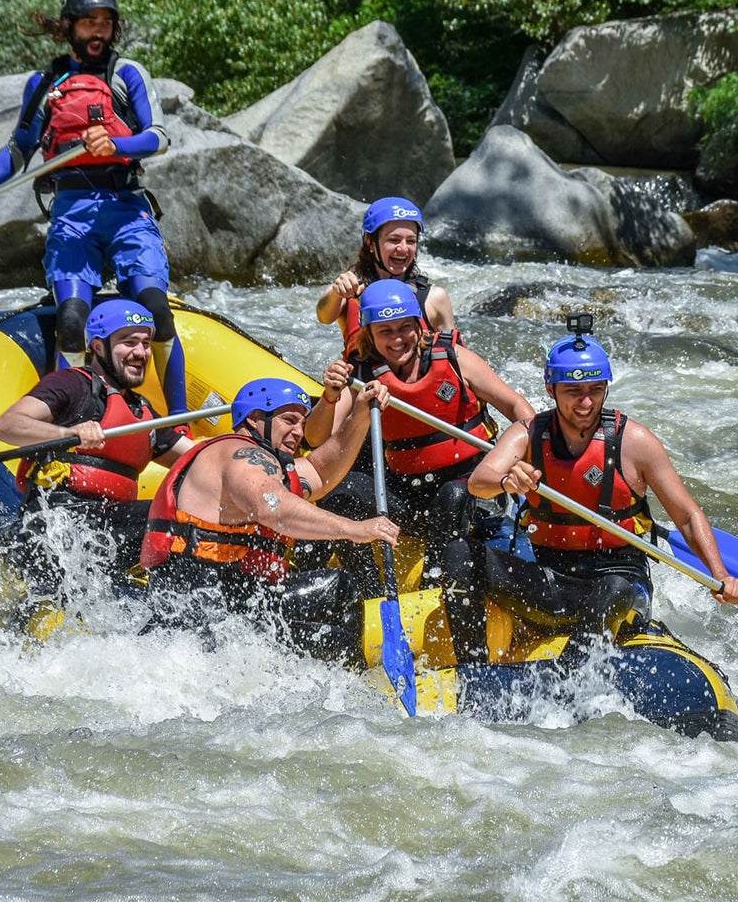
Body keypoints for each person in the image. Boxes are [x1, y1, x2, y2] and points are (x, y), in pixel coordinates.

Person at [448, 316, 738, 664]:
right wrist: (505, 481)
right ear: (552, 390)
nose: (586, 403)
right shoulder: (527, 434)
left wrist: (720, 574)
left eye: (595, 390)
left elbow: (686, 514)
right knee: (460, 552)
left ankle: (570, 681)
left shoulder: (635, 443)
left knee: (614, 589)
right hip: (552, 579)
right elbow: (478, 481)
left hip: (620, 584)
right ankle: (471, 670)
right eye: (573, 391)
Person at [0, 0, 188, 414]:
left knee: (156, 307)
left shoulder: (128, 73)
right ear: (70, 26)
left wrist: (116, 145)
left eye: (105, 23)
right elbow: (19, 148)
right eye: (88, 22)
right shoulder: (47, 82)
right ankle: (76, 419)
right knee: (71, 320)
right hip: (72, 213)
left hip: (127, 208)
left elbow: (158, 138)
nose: (98, 31)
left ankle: (179, 424)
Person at [139, 377, 400, 664]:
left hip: (235, 606)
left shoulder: (268, 466)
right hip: (202, 608)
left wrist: (358, 416)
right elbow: (271, 507)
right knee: (338, 611)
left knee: (335, 602)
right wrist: (353, 529)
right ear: (253, 419)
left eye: (302, 423)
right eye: (289, 420)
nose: (299, 432)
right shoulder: (240, 454)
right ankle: (350, 692)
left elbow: (319, 470)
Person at [316, 279, 534, 607]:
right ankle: (370, 593)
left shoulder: (453, 357)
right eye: (385, 331)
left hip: (472, 489)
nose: (398, 338)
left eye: (405, 327)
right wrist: (330, 396)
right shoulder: (361, 372)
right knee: (338, 492)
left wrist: (519, 460)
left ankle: (434, 593)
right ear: (369, 334)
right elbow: (317, 438)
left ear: (419, 325)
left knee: (452, 496)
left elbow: (519, 409)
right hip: (409, 493)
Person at [0, 298, 195, 632]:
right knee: (166, 514)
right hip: (57, 527)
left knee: (192, 514)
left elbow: (196, 459)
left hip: (104, 532)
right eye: (129, 342)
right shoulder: (73, 384)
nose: (141, 352)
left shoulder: (143, 415)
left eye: (145, 343)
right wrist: (67, 432)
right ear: (98, 346)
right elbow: (7, 425)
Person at [316, 196, 456, 358]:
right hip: (362, 382)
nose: (404, 249)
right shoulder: (349, 288)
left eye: (411, 241)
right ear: (370, 241)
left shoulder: (434, 298)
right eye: (394, 240)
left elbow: (455, 356)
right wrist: (336, 292)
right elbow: (323, 316)